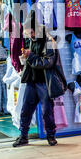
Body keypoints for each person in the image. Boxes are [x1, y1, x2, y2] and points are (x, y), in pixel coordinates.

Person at [13, 11, 67, 147]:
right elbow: (35, 59)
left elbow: (47, 62)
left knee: (47, 111)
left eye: (30, 33)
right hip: (32, 80)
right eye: (26, 34)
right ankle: (23, 136)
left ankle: (51, 136)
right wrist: (27, 57)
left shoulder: (49, 41)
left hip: (45, 82)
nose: (29, 36)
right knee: (25, 110)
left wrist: (30, 56)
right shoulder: (32, 40)